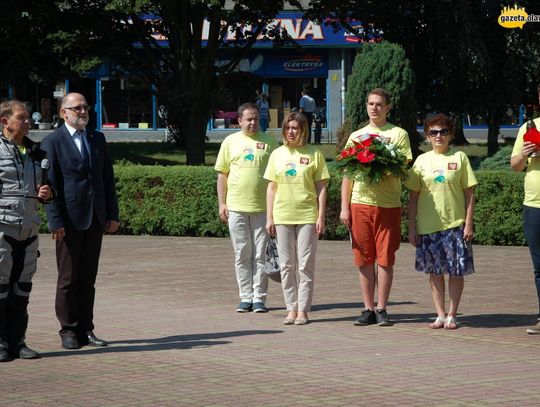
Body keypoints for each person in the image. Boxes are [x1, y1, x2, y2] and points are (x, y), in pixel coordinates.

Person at [41, 92, 119, 350]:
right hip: (69, 220)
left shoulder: (97, 138)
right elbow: (49, 185)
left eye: (85, 107)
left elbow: (107, 179)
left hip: (95, 217)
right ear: (64, 112)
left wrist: (112, 214)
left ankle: (86, 329)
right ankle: (69, 330)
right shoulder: (53, 142)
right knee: (68, 278)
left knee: (88, 278)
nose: (83, 112)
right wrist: (55, 221)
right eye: (77, 108)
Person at [340, 88, 412, 326]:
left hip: (388, 205)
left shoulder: (398, 134)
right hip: (360, 203)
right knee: (363, 258)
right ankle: (367, 308)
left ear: (388, 108)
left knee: (385, 259)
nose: (374, 108)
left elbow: (401, 166)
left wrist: (380, 161)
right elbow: (348, 175)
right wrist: (344, 207)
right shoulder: (357, 136)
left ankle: (382, 307)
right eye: (371, 104)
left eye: (379, 104)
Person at [406, 114, 477, 329]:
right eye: (434, 132)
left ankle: (453, 314)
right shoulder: (421, 161)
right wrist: (411, 227)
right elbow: (413, 197)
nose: (439, 136)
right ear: (427, 136)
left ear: (451, 134)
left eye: (443, 132)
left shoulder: (460, 158)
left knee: (456, 271)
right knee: (435, 272)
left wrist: (468, 222)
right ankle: (440, 314)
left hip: (455, 224)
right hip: (428, 226)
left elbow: (469, 193)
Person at [0, 101, 54, 361]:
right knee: (1, 287)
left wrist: (47, 193)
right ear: (4, 121)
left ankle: (18, 342)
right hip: (2, 229)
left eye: (27, 118)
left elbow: (48, 187)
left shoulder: (36, 151)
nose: (27, 122)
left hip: (30, 228)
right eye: (21, 118)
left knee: (23, 287)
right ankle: (0, 343)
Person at [264, 112, 329, 325]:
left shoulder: (314, 154)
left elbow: (321, 188)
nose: (291, 132)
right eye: (288, 128)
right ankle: (290, 308)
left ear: (303, 130)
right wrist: (269, 217)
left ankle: (303, 310)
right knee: (286, 265)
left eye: (295, 128)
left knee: (305, 266)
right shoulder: (277, 154)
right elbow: (271, 187)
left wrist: (320, 216)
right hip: (282, 215)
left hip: (307, 215)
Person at [215, 102, 278, 313]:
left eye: (256, 119)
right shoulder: (230, 142)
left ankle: (259, 298)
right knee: (242, 253)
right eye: (248, 119)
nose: (253, 123)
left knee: (260, 254)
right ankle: (245, 297)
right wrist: (222, 203)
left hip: (262, 208)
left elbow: (277, 177)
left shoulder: (269, 142)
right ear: (239, 121)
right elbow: (222, 175)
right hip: (236, 207)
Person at [511, 114, 540, 334]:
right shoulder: (529, 127)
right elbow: (515, 166)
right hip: (534, 206)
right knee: (539, 268)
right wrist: (524, 153)